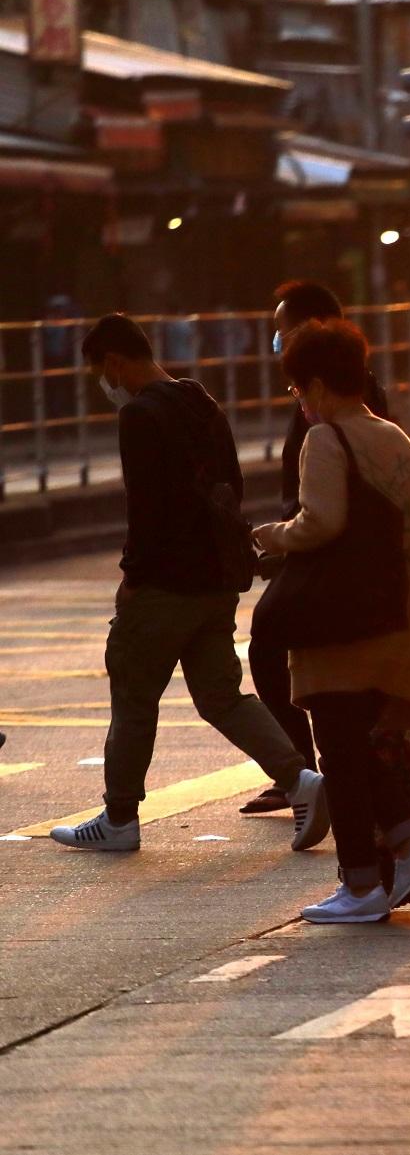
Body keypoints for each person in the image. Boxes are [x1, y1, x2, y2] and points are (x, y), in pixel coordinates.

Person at [50, 315, 327, 853]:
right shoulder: (201, 400)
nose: (106, 386)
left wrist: (133, 579)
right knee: (221, 696)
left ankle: (119, 817)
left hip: (164, 584)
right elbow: (233, 485)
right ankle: (302, 780)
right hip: (217, 577)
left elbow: (146, 511)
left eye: (101, 374)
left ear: (114, 362)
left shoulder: (139, 417)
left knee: (133, 692)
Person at [252, 320, 410, 923]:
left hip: (344, 629)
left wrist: (271, 536)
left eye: (297, 391)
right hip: (400, 624)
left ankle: (361, 884)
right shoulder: (397, 440)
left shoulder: (327, 439)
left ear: (314, 383)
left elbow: (322, 522)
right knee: (358, 750)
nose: (299, 403)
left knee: (338, 751)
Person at [242, 280, 392, 816]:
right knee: (282, 655)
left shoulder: (338, 410)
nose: (277, 343)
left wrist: (278, 538)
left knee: (286, 654)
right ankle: (306, 774)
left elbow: (328, 512)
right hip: (317, 551)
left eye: (282, 331)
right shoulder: (323, 396)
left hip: (330, 559)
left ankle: (312, 779)